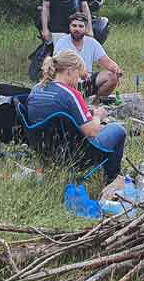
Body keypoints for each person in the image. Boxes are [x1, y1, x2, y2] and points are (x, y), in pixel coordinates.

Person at [27, 51, 128, 199]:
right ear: (69, 71)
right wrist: (98, 116)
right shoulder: (70, 94)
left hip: (45, 151)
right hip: (76, 154)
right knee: (117, 130)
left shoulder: (36, 90)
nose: (79, 80)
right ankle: (111, 181)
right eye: (78, 75)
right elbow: (92, 131)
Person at [51, 12, 121, 99]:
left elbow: (106, 61)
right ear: (69, 27)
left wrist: (116, 69)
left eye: (81, 26)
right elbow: (57, 66)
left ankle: (95, 102)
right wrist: (80, 73)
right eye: (74, 26)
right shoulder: (62, 43)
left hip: (87, 81)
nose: (77, 29)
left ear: (86, 28)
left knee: (112, 77)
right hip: (69, 80)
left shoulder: (92, 42)